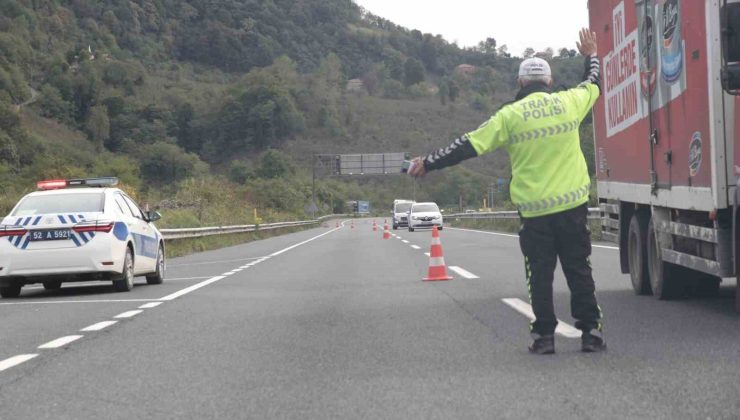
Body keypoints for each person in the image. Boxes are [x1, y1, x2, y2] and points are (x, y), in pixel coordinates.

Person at [408, 29, 606, 354]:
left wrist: (429, 162)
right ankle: (591, 335)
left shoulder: (509, 116)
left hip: (535, 213)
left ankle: (544, 338)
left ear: (520, 85)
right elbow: (593, 84)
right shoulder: (568, 103)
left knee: (539, 276)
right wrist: (591, 54)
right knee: (579, 269)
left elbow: (468, 145)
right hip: (573, 207)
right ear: (551, 82)